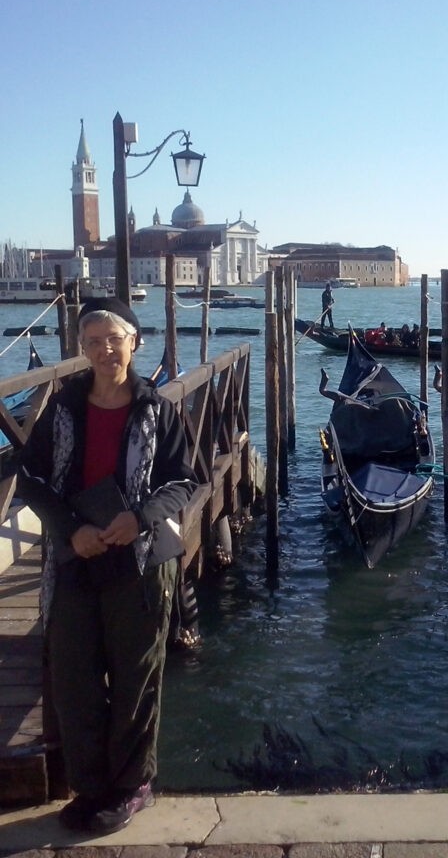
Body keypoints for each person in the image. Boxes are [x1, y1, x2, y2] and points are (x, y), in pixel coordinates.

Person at [17, 298, 197, 834]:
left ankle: (130, 786)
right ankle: (89, 787)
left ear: (134, 343)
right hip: (76, 556)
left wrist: (139, 518)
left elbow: (185, 480)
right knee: (73, 678)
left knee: (136, 677)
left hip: (139, 563)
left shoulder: (158, 409)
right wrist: (71, 528)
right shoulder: (62, 409)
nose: (103, 349)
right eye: (92, 340)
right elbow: (33, 480)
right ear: (81, 349)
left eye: (113, 339)